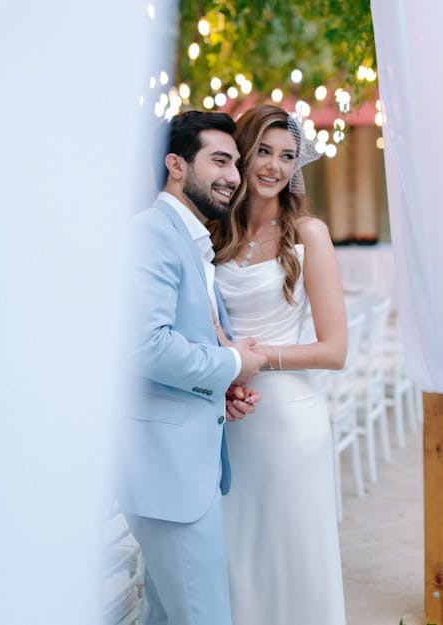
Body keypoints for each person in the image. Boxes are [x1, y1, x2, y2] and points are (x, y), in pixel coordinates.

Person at [118, 110, 266, 625]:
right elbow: (146, 346)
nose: (233, 176)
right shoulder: (153, 233)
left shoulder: (191, 239)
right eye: (219, 160)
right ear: (175, 164)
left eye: (235, 164)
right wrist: (233, 361)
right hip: (167, 477)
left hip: (181, 470)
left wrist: (216, 388)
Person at [210, 104, 348, 625]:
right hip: (233, 421)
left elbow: (334, 350)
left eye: (287, 156)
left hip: (290, 423)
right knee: (242, 562)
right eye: (263, 151)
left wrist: (259, 358)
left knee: (295, 562)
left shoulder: (308, 233)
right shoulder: (214, 233)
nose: (274, 166)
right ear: (242, 155)